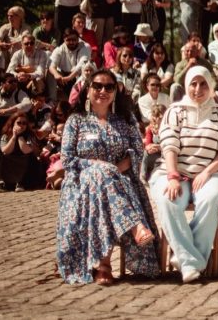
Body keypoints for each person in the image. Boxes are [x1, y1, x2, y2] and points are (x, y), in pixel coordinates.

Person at [55, 69, 159, 285]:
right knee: (98, 182)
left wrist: (111, 170)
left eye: (109, 87)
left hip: (119, 179)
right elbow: (67, 159)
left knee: (102, 186)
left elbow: (137, 152)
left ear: (115, 92)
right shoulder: (76, 121)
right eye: (97, 86)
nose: (103, 91)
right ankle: (134, 227)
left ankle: (104, 266)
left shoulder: (124, 120)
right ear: (88, 90)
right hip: (81, 182)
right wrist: (96, 167)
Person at [149, 66, 218, 282]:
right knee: (169, 200)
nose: (198, 89)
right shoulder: (174, 111)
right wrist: (172, 176)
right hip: (174, 171)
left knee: (210, 199)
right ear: (186, 85)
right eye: (193, 84)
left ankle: (184, 257)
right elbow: (169, 145)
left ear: (211, 85)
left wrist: (207, 172)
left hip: (211, 173)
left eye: (203, 83)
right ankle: (191, 260)